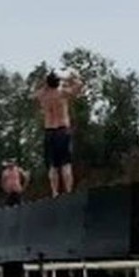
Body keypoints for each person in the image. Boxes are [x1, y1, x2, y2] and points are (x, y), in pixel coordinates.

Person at [32, 69, 84, 197]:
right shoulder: (62, 93)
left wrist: (45, 84)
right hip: (62, 130)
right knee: (66, 164)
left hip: (49, 131)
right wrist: (66, 78)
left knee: (53, 165)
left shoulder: (43, 96)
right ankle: (69, 191)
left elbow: (33, 96)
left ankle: (55, 192)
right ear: (57, 82)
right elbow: (79, 86)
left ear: (48, 83)